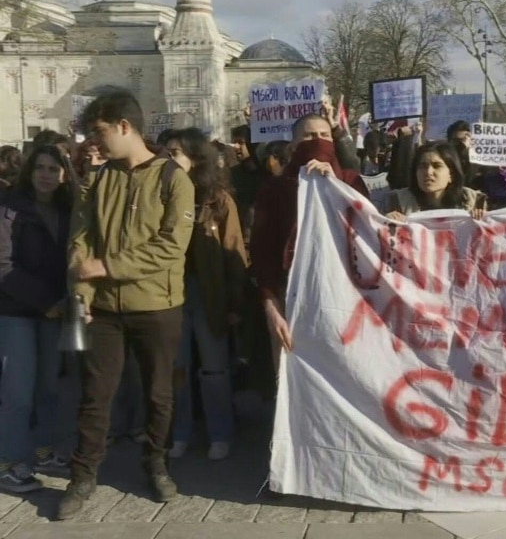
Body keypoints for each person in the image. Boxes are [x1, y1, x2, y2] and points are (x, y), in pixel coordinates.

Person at [60, 91, 195, 519]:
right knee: (95, 396)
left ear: (124, 126)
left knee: (158, 393)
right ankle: (82, 475)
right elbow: (80, 240)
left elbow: (171, 248)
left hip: (157, 306)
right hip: (103, 309)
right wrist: (82, 292)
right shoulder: (99, 179)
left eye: (99, 132)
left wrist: (106, 266)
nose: (94, 142)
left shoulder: (174, 179)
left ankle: (156, 464)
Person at [250, 138, 368, 375]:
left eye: (325, 134)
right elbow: (264, 255)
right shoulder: (275, 192)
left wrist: (335, 188)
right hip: (292, 299)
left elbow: (367, 233)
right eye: (309, 136)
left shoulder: (351, 183)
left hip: (346, 300)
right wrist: (272, 308)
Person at [165, 129, 248, 461]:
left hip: (209, 292)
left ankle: (220, 432)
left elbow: (234, 252)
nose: (167, 160)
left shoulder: (219, 200)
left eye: (175, 153)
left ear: (194, 158)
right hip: (169, 291)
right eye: (165, 153)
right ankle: (180, 431)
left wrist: (235, 302)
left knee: (214, 368)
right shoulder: (160, 194)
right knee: (177, 367)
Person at [0, 145, 76, 493]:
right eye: (40, 168)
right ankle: (10, 462)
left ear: (64, 174)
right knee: (18, 391)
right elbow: (4, 266)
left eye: (53, 169)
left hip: (54, 311)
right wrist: (45, 302)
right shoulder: (10, 209)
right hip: (16, 311)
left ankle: (44, 450)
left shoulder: (69, 209)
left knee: (48, 386)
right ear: (29, 172)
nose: (46, 174)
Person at [385, 142, 486, 220]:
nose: (428, 172)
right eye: (422, 166)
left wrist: (482, 221)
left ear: (451, 174)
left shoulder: (473, 202)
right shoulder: (397, 202)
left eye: (437, 166)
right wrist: (386, 223)